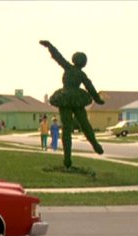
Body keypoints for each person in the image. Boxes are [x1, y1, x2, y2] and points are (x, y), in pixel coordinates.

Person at [40, 40, 105, 168]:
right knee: (84, 123)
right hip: (76, 99)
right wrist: (97, 99)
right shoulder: (81, 74)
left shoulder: (68, 67)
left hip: (65, 98)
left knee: (67, 128)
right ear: (83, 63)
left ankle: (67, 158)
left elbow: (58, 57)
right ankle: (95, 144)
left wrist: (49, 46)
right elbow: (90, 88)